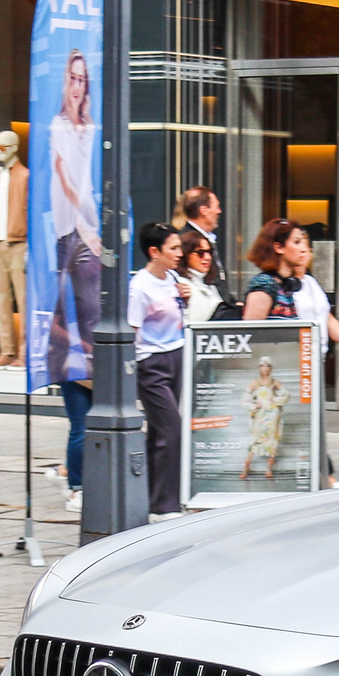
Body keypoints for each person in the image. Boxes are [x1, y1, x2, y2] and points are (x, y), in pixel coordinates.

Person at [244, 218, 339, 487]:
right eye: (297, 243)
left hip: (311, 365)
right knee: (300, 425)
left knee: (309, 424)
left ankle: (322, 478)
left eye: (306, 244)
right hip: (285, 368)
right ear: (278, 247)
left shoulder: (307, 283)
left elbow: (327, 317)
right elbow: (250, 332)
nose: (305, 249)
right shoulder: (265, 285)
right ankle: (324, 479)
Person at [44, 49, 100, 390]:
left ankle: (90, 365)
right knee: (64, 299)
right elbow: (63, 173)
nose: (77, 86)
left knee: (90, 298)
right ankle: (65, 366)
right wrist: (82, 224)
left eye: (82, 79)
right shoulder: (58, 124)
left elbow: (86, 177)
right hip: (67, 221)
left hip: (87, 216)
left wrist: (94, 222)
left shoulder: (90, 126)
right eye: (73, 79)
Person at [124, 219, 188, 516]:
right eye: (173, 248)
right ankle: (165, 504)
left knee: (160, 433)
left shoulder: (172, 277)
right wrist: (135, 367)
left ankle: (149, 497)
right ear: (154, 251)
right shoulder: (139, 288)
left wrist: (185, 298)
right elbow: (132, 330)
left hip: (176, 355)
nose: (179, 253)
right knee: (171, 429)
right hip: (152, 362)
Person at [179, 186, 232, 308]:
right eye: (216, 207)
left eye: (208, 252)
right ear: (204, 210)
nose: (219, 211)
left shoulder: (210, 238)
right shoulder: (184, 239)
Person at [177, 228, 223, 324]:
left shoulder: (211, 287)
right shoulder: (181, 285)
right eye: (200, 253)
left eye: (209, 252)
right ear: (185, 255)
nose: (208, 258)